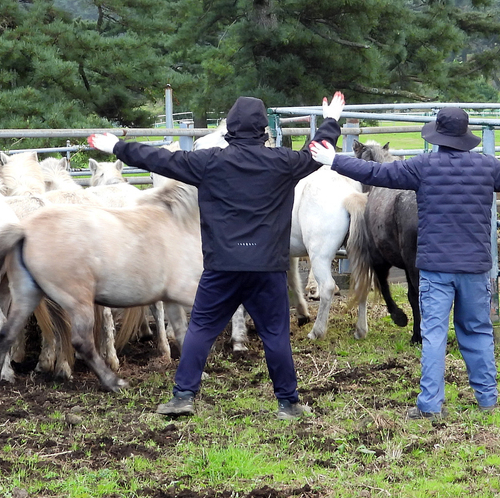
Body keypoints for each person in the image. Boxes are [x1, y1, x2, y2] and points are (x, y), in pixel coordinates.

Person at [309, 106, 500, 422]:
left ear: (438, 136)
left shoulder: (422, 167)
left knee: (434, 334)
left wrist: (334, 160)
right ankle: (487, 399)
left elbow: (376, 173)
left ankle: (431, 405)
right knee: (477, 331)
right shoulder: (486, 166)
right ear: (465, 136)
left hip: (435, 269)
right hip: (475, 267)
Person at [88, 93, 344, 420]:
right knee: (275, 335)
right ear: (264, 130)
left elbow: (158, 160)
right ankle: (289, 403)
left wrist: (116, 147)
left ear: (229, 130)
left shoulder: (209, 162)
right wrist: (332, 117)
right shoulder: (283, 162)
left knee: (201, 331)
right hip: (267, 268)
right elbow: (317, 150)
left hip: (222, 267)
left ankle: (183, 396)